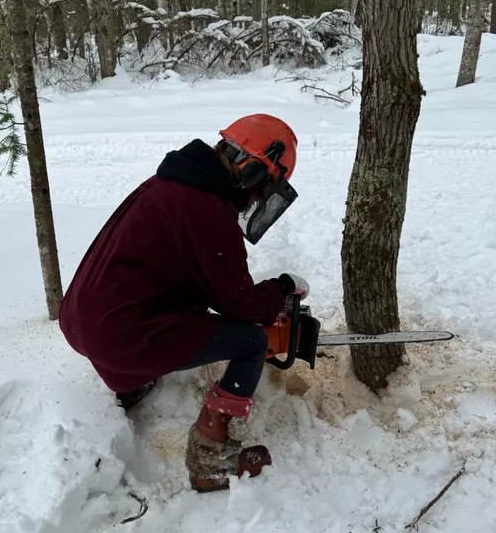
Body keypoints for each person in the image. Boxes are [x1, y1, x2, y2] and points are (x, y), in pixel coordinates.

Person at [59, 114, 309, 492]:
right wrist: (281, 288)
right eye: (265, 189)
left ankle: (130, 384)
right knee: (251, 343)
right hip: (119, 336)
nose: (259, 199)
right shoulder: (206, 210)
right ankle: (209, 462)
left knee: (185, 313)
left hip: (84, 321)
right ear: (255, 171)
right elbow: (242, 305)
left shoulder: (171, 183)